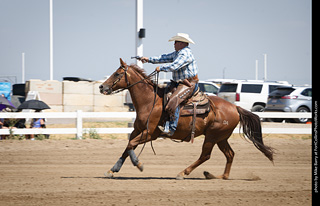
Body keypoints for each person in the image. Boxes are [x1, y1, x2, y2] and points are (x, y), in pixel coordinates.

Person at [139, 33, 199, 136]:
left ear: (182, 43)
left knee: (173, 100)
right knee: (161, 97)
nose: (174, 44)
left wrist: (161, 68)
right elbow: (164, 57)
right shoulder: (177, 53)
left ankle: (172, 128)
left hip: (189, 84)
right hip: (178, 82)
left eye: (176, 42)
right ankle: (165, 122)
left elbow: (175, 66)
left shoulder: (185, 53)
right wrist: (149, 59)